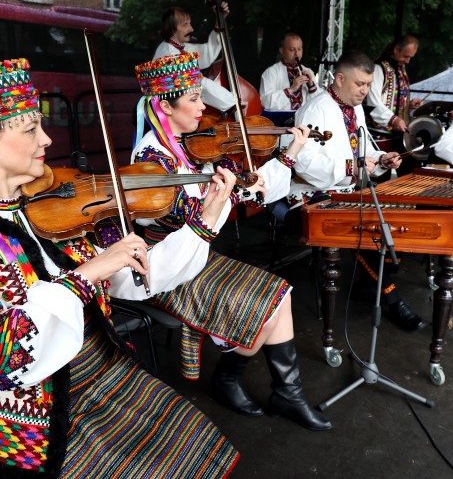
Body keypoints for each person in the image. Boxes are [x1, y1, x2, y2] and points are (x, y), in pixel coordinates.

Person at [0, 58, 241, 477]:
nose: (47, 138)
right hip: (43, 407)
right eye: (29, 129)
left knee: (196, 442)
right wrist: (86, 274)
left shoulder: (52, 204)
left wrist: (204, 220)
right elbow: (9, 356)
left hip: (105, 366)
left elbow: (134, 279)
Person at [130, 51, 332, 431]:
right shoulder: (151, 161)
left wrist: (285, 156)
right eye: (193, 99)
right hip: (169, 268)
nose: (203, 106)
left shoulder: (188, 148)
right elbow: (186, 219)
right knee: (267, 308)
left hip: (197, 257)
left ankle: (288, 393)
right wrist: (225, 196)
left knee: (281, 294)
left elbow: (233, 195)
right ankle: (228, 379)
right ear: (164, 106)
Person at [287, 50, 427, 332]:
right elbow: (302, 164)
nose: (365, 90)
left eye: (368, 84)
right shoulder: (316, 109)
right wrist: (354, 165)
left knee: (392, 222)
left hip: (345, 191)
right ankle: (391, 297)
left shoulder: (355, 108)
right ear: (339, 79)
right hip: (309, 198)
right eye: (359, 84)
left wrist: (381, 160)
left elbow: (364, 150)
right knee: (367, 228)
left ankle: (372, 283)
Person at [153, 4, 236, 115]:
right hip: (168, 117)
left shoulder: (181, 48)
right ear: (172, 29)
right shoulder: (168, 54)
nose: (191, 29)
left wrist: (219, 20)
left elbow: (208, 51)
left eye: (190, 24)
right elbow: (197, 82)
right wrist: (231, 102)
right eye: (185, 25)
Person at [365, 34, 423, 176]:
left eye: (410, 57)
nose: (408, 61)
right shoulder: (378, 68)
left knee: (409, 170)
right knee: (380, 175)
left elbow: (392, 99)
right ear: (396, 49)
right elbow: (373, 104)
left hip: (396, 134)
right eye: (405, 56)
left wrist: (408, 105)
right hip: (379, 136)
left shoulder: (400, 68)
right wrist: (393, 119)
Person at [259, 33, 320, 112]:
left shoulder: (308, 72)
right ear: (281, 50)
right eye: (291, 49)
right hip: (279, 122)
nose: (296, 53)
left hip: (303, 120)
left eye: (299, 49)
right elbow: (265, 102)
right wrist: (291, 90)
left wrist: (311, 85)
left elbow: (318, 102)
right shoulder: (270, 73)